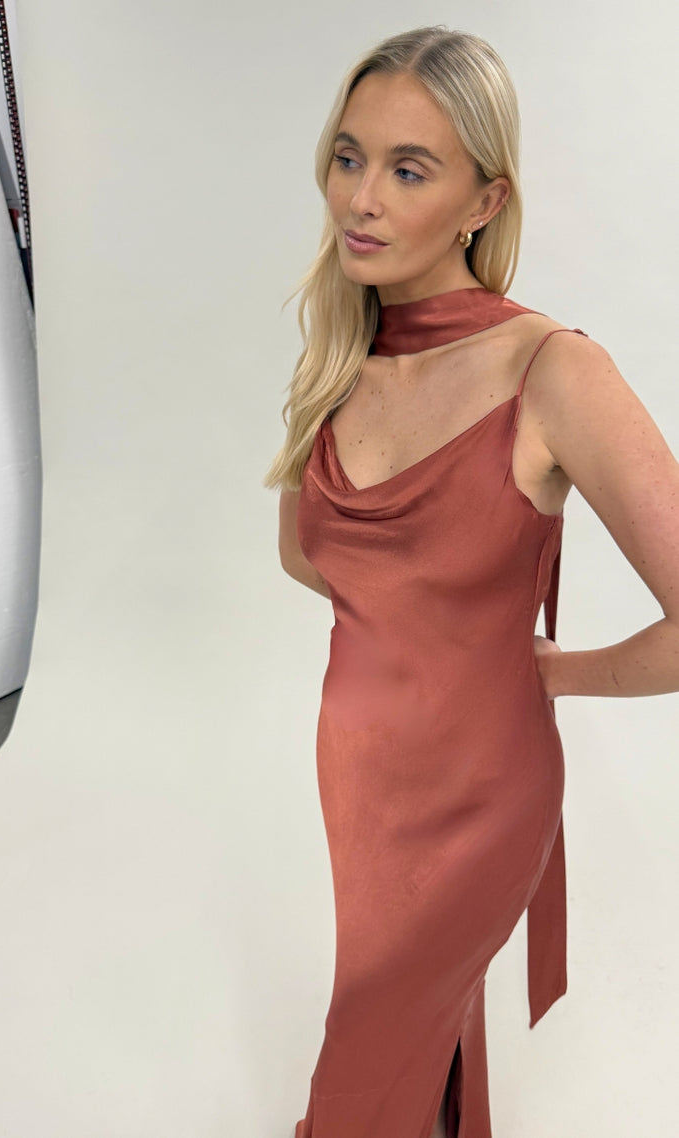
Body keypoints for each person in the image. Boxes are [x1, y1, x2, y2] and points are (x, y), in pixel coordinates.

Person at [263, 24, 679, 1138]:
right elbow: (309, 554)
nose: (361, 196)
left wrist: (551, 670)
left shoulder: (552, 370)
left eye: (409, 168)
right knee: (409, 1056)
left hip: (476, 796)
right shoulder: (343, 357)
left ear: (483, 202)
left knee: (351, 1095)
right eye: (348, 157)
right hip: (358, 783)